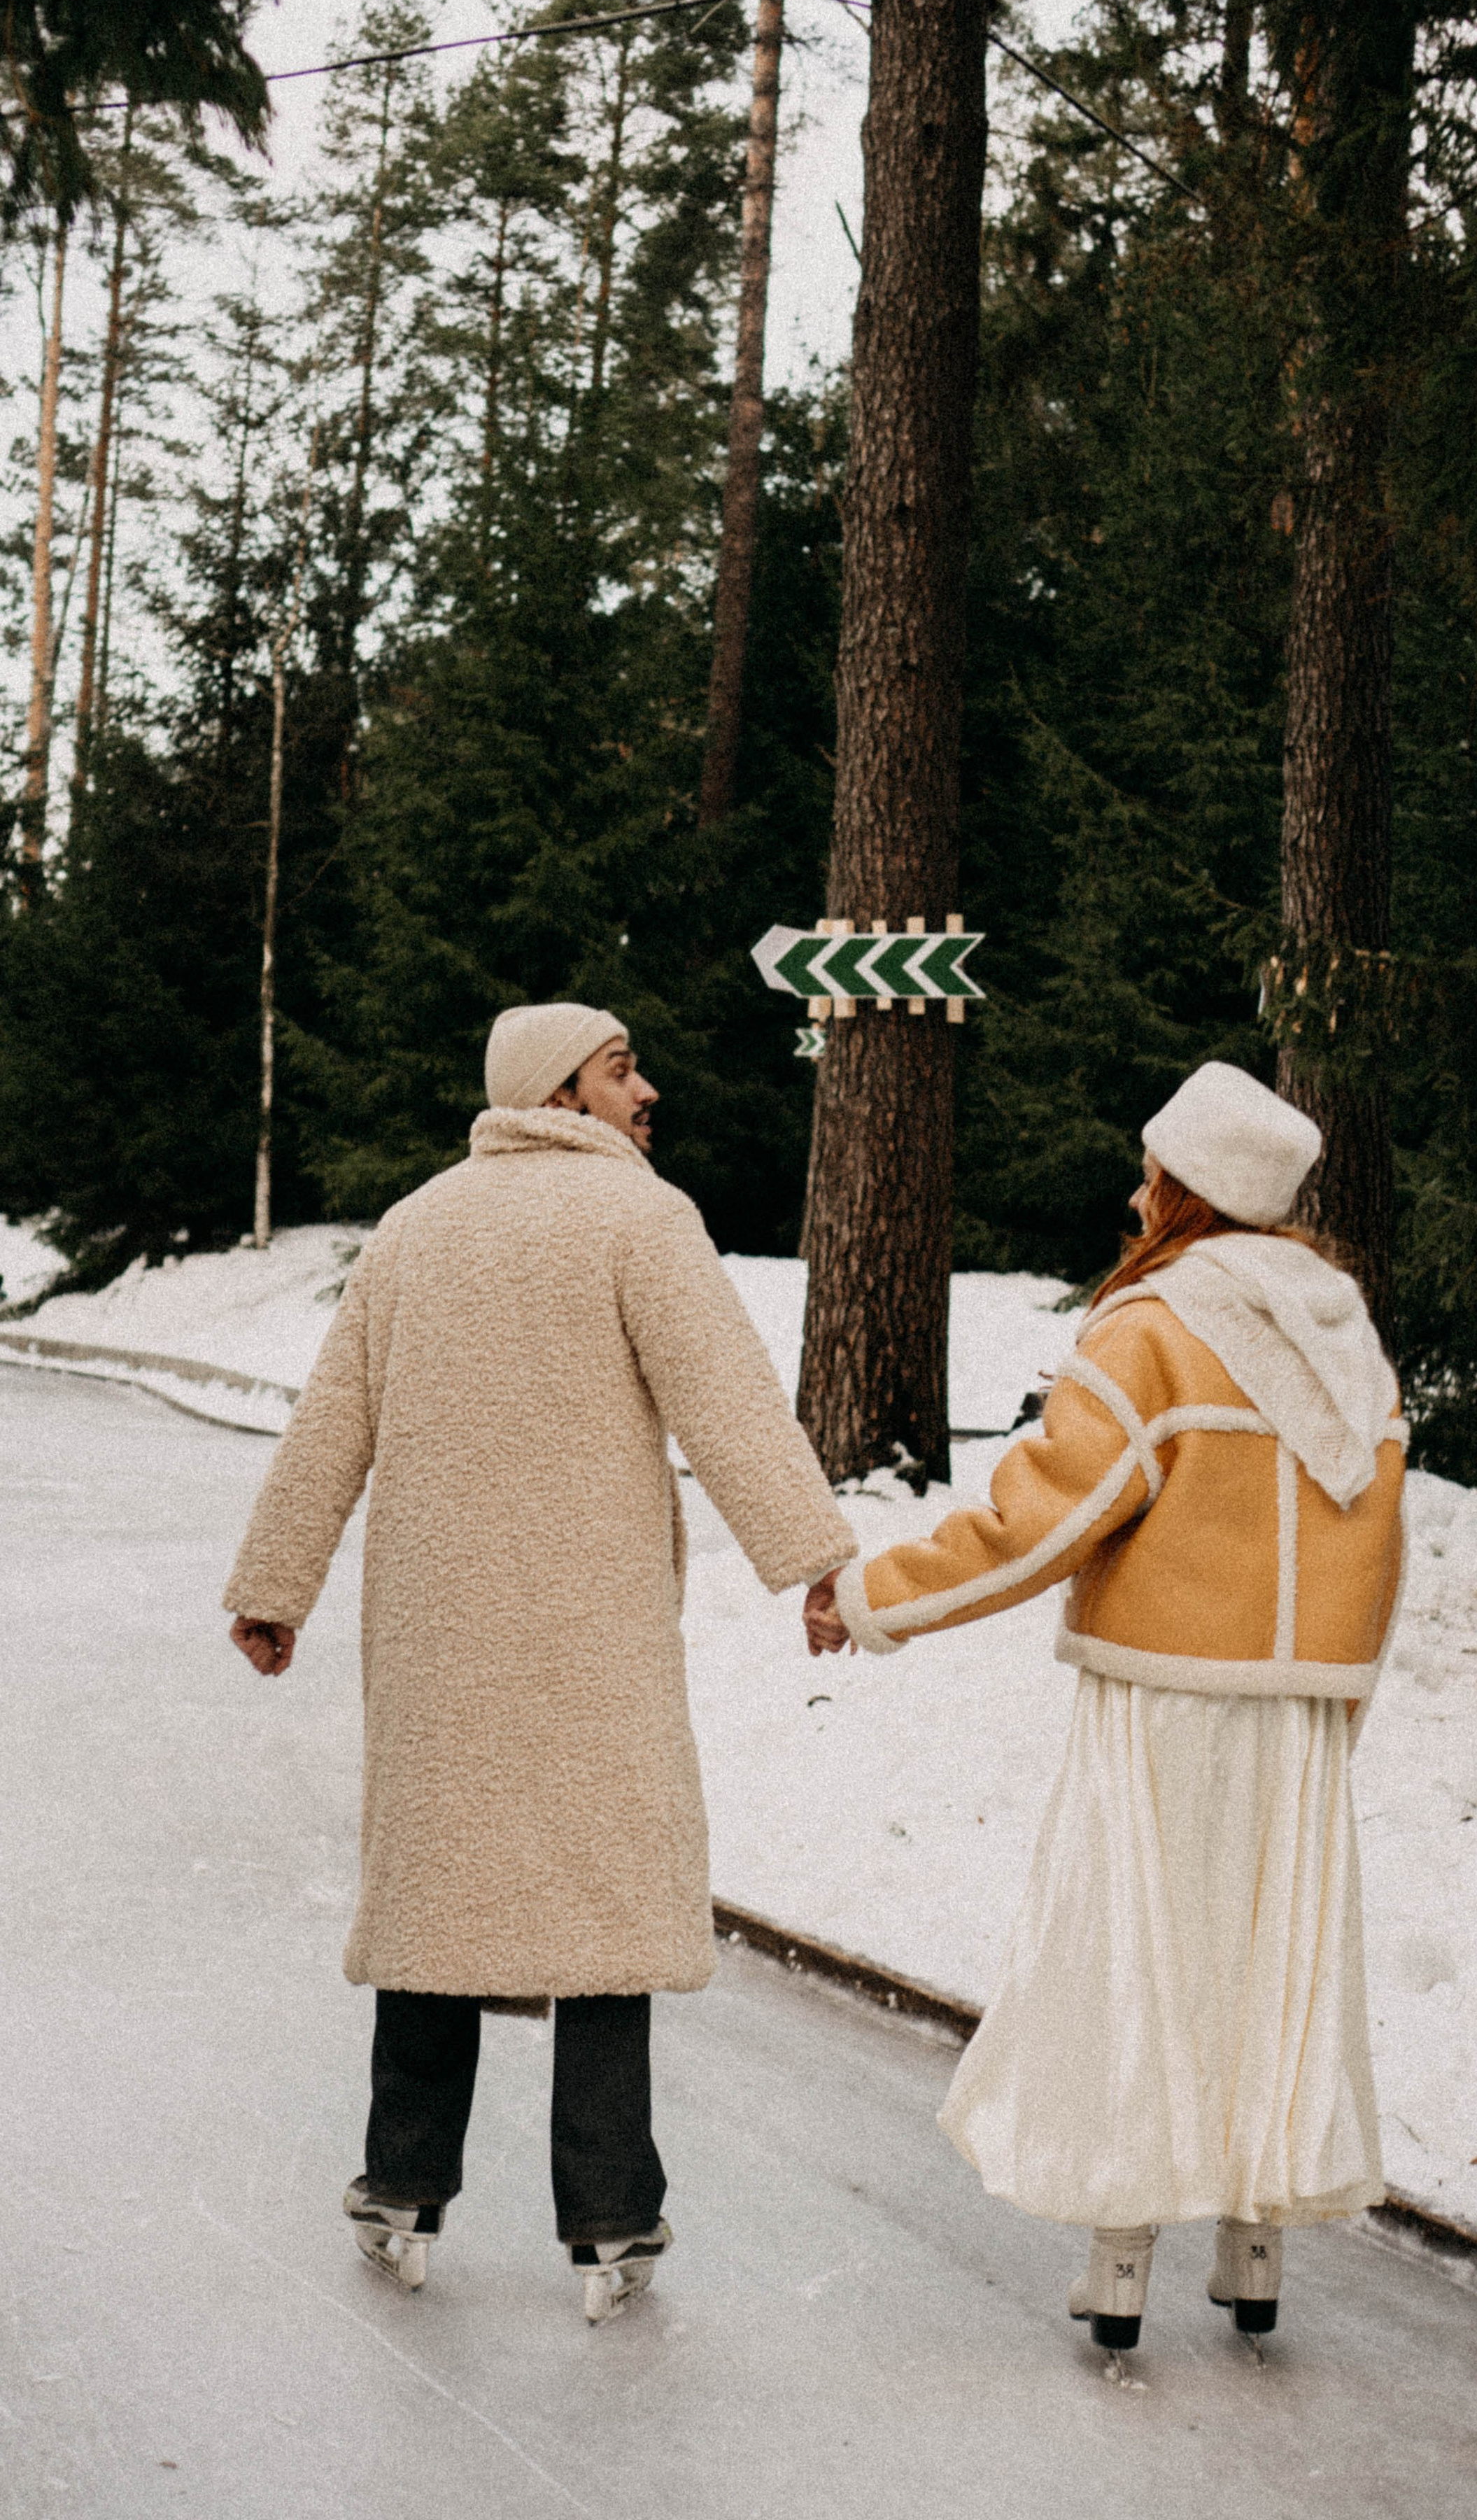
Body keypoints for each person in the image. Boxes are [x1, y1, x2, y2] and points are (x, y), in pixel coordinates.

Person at [225, 1003, 855, 2321]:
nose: (648, 1090)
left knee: (437, 1899)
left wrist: (277, 1586)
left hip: (440, 1637)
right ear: (557, 1093)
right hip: (591, 1633)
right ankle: (612, 2218)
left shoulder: (415, 1227)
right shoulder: (642, 1220)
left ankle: (402, 2190)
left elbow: (331, 1420)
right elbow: (729, 1402)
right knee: (604, 1907)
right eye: (622, 1070)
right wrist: (813, 1559)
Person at [804, 1061, 1405, 2353]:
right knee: (1273, 1968)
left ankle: (1120, 2263)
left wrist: (873, 1597)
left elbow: (1038, 1524)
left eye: (1153, 1173)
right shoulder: (1346, 1332)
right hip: (1300, 1714)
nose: (1137, 1196)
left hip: (1163, 1699)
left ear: (1189, 1188)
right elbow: (1382, 1541)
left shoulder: (1154, 1327)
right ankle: (1255, 2246)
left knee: (1141, 1957)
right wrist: (1339, 1695)